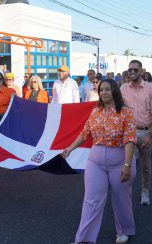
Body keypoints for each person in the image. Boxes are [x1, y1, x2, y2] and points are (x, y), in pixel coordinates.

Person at [63, 79, 137, 244]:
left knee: (121, 198)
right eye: (101, 90)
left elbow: (130, 139)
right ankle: (83, 239)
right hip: (96, 161)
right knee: (92, 201)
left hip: (120, 160)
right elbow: (85, 133)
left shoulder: (126, 112)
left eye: (107, 89)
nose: (103, 92)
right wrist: (70, 148)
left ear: (114, 92)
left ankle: (124, 231)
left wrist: (127, 164)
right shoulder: (95, 111)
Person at [121, 59, 152, 206]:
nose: (132, 72)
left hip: (146, 133)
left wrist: (151, 135)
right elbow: (118, 110)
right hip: (129, 133)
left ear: (142, 71)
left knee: (146, 166)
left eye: (135, 70)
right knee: (127, 164)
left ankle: (145, 191)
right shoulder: (123, 89)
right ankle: (126, 191)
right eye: (130, 69)